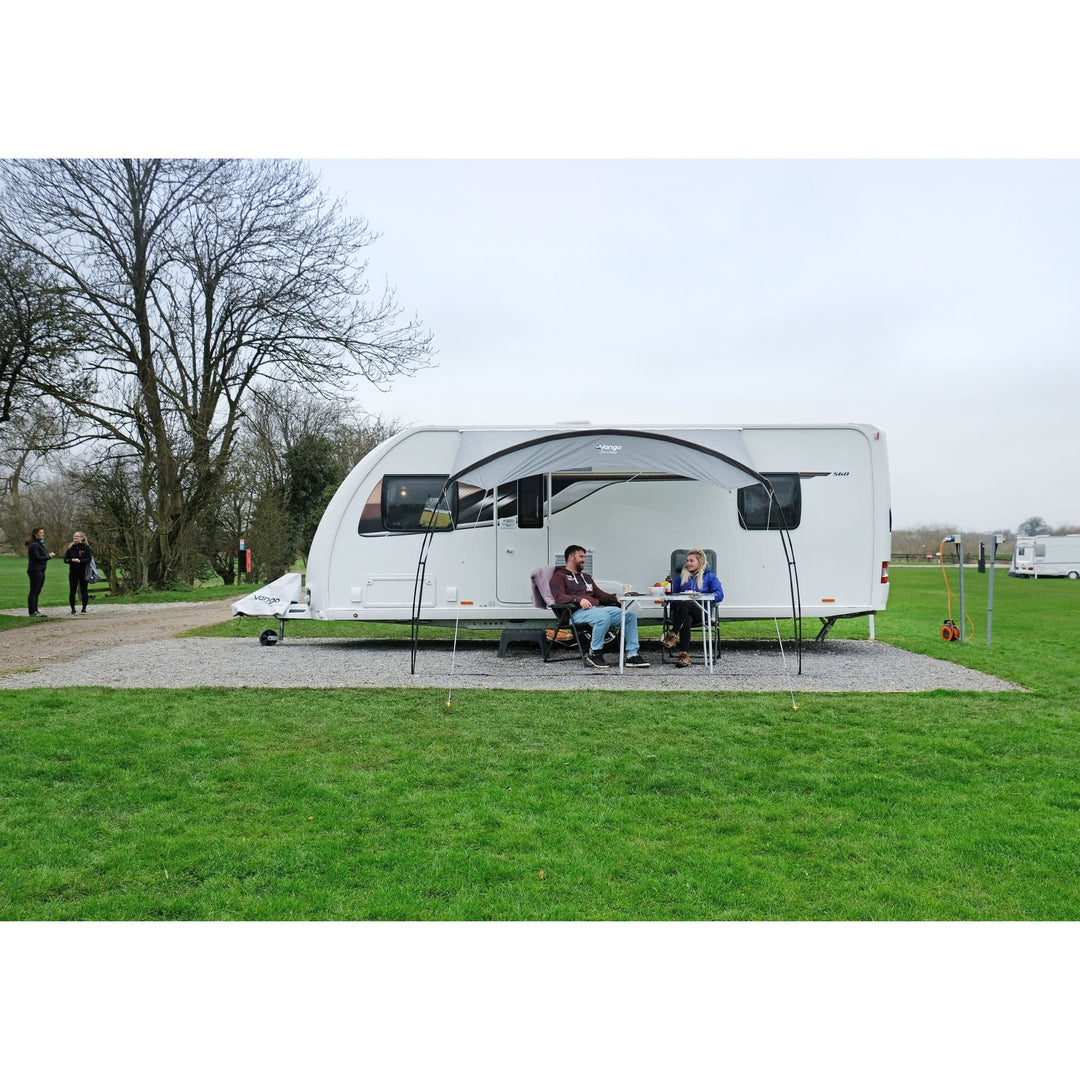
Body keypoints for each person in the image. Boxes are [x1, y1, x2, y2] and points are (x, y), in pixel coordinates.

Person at [549, 544, 650, 669]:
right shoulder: (558, 576)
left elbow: (599, 594)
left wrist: (617, 598)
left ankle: (632, 655)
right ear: (571, 557)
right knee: (603, 617)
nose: (584, 560)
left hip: (596, 610)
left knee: (629, 615)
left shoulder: (586, 577)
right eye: (581, 556)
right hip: (575, 613)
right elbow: (559, 597)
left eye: (584, 557)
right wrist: (578, 599)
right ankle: (594, 653)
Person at [662, 548, 724, 668]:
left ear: (700, 562)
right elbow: (670, 595)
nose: (688, 563)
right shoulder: (681, 577)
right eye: (687, 561)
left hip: (702, 613)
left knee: (687, 603)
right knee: (687, 618)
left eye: (691, 561)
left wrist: (702, 596)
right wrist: (671, 595)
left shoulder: (710, 577)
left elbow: (719, 594)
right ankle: (684, 656)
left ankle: (672, 635)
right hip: (682, 614)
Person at [25, 527, 57, 617]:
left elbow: (42, 556)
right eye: (41, 532)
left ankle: (35, 610)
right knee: (34, 591)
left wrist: (47, 556)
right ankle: (32, 611)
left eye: (43, 532)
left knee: (38, 591)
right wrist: (49, 556)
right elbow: (37, 558)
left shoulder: (40, 544)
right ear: (36, 534)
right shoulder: (34, 545)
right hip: (35, 570)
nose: (43, 534)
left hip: (41, 570)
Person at [63, 530, 94, 615]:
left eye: (77, 536)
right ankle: (73, 609)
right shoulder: (70, 548)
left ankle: (84, 608)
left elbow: (88, 559)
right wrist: (72, 560)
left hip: (83, 571)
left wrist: (80, 560)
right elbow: (65, 560)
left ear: (82, 538)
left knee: (84, 590)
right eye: (74, 536)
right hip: (73, 571)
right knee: (72, 590)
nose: (75, 538)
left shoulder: (86, 547)